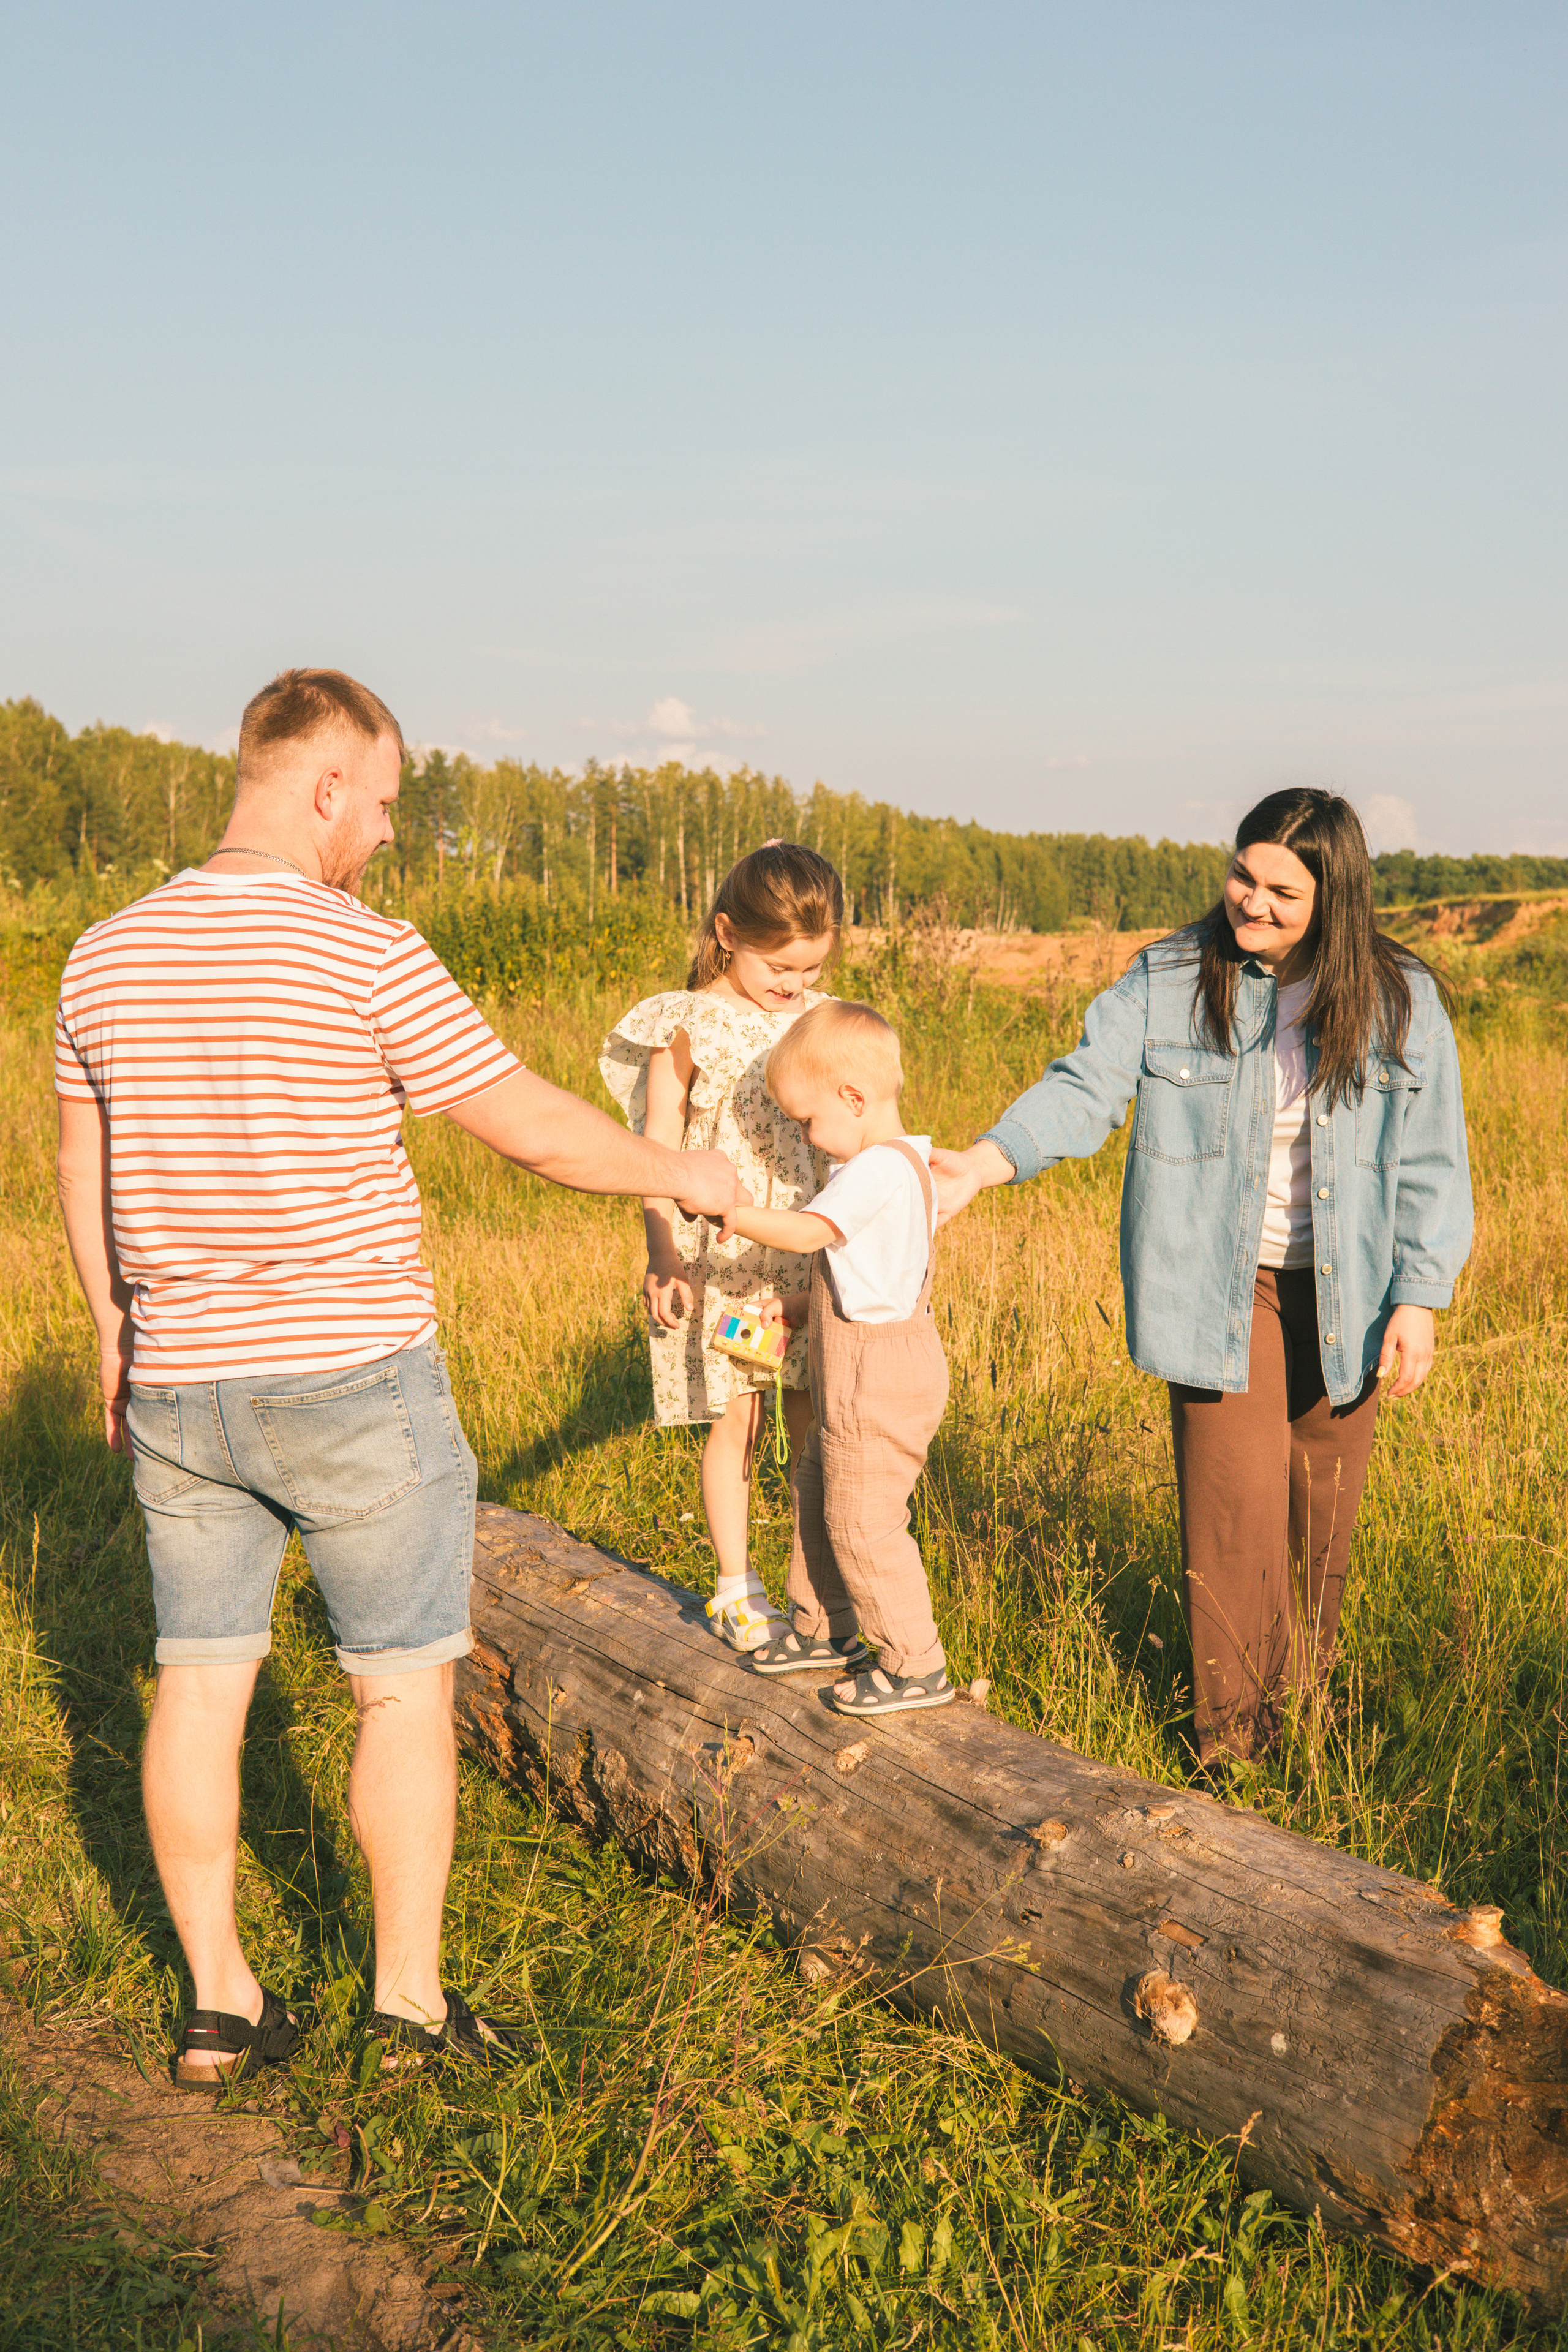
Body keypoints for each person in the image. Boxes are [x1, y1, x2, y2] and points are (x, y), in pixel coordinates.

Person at [53, 666, 737, 2085]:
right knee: (398, 1690)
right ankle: (408, 2003)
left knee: (196, 1682)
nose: (380, 834)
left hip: (180, 1383)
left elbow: (82, 1161)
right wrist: (683, 1169)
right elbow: (530, 1128)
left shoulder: (102, 955)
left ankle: (220, 2003)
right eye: (378, 804)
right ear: (322, 783)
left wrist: (114, 1329)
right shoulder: (363, 949)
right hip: (352, 1377)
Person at [932, 789, 1472, 1768]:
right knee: (1234, 1517)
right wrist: (983, 1160)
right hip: (1222, 1286)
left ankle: (1305, 1722)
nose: (1251, 905)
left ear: (1335, 900)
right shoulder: (1173, 977)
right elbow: (1085, 1087)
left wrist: (1421, 1296)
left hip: (1351, 1288)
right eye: (1242, 876)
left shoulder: (1400, 998)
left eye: (1282, 891)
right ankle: (1237, 1754)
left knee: (1321, 1520)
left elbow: (1434, 1160)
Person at [599, 843, 841, 1653]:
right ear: (728, 933)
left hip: (806, 1261)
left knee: (815, 1420)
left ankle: (815, 1596)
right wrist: (662, 1252)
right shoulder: (687, 1024)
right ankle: (737, 1589)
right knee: (740, 1418)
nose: (794, 986)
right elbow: (657, 1150)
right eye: (780, 966)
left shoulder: (819, 1017)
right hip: (730, 1271)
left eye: (810, 969)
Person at [725, 999, 953, 1716]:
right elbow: (864, 1269)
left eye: (806, 1120)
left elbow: (805, 1234)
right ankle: (825, 1627)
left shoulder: (874, 1170)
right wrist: (794, 1310)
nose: (804, 1136)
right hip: (870, 1366)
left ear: (853, 1099)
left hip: (876, 1377)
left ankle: (915, 1664)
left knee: (864, 1522)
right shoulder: (900, 1161)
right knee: (820, 1489)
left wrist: (729, 1211)